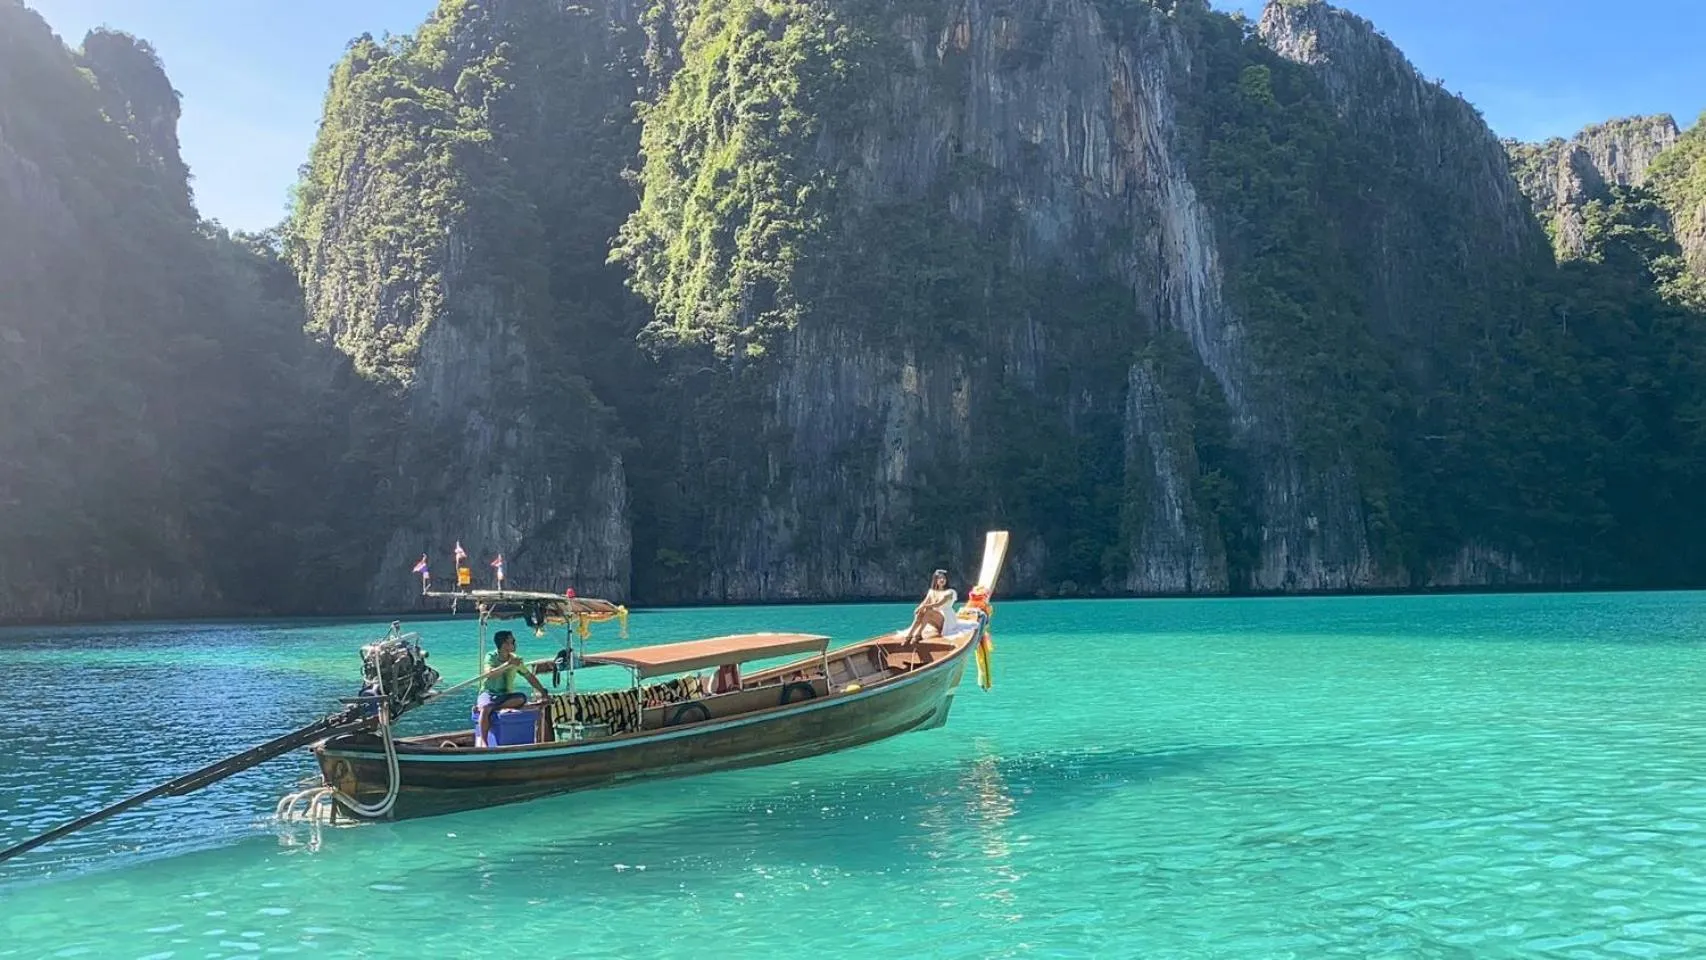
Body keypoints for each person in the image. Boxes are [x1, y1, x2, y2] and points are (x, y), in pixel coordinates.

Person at [477, 629, 548, 747]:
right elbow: (490, 673)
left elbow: (529, 676)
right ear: (504, 644)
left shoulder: (516, 659)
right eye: (512, 641)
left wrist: (542, 691)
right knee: (485, 708)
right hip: (489, 693)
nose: (515, 644)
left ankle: (493, 707)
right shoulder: (491, 656)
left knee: (521, 698)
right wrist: (508, 664)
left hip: (506, 696)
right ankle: (484, 742)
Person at [903, 569, 957, 643]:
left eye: (944, 578)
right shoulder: (931, 591)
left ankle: (918, 634)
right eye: (939, 578)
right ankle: (909, 635)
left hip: (946, 618)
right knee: (921, 612)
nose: (942, 580)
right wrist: (919, 608)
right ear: (935, 580)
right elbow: (925, 602)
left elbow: (939, 604)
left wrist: (924, 606)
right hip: (935, 617)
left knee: (928, 611)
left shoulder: (950, 592)